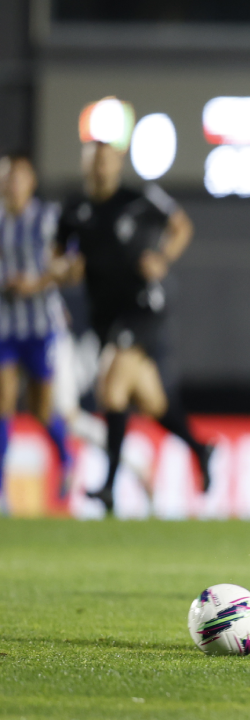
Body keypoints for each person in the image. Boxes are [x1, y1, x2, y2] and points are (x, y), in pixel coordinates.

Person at [51, 141, 212, 515]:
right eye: (94, 160)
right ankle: (201, 449)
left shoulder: (139, 199)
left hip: (141, 307)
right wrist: (66, 270)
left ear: (118, 162)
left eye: (106, 159)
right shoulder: (74, 208)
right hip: (104, 315)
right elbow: (56, 259)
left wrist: (163, 257)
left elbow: (180, 225)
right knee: (151, 402)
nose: (101, 167)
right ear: (85, 164)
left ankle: (110, 485)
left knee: (111, 388)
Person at [0, 153, 75, 506]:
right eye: (6, 177)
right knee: (2, 402)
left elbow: (70, 266)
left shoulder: (48, 219)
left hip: (40, 326)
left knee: (40, 410)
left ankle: (66, 457)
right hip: (4, 327)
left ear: (31, 181)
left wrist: (37, 282)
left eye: (18, 177)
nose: (12, 184)